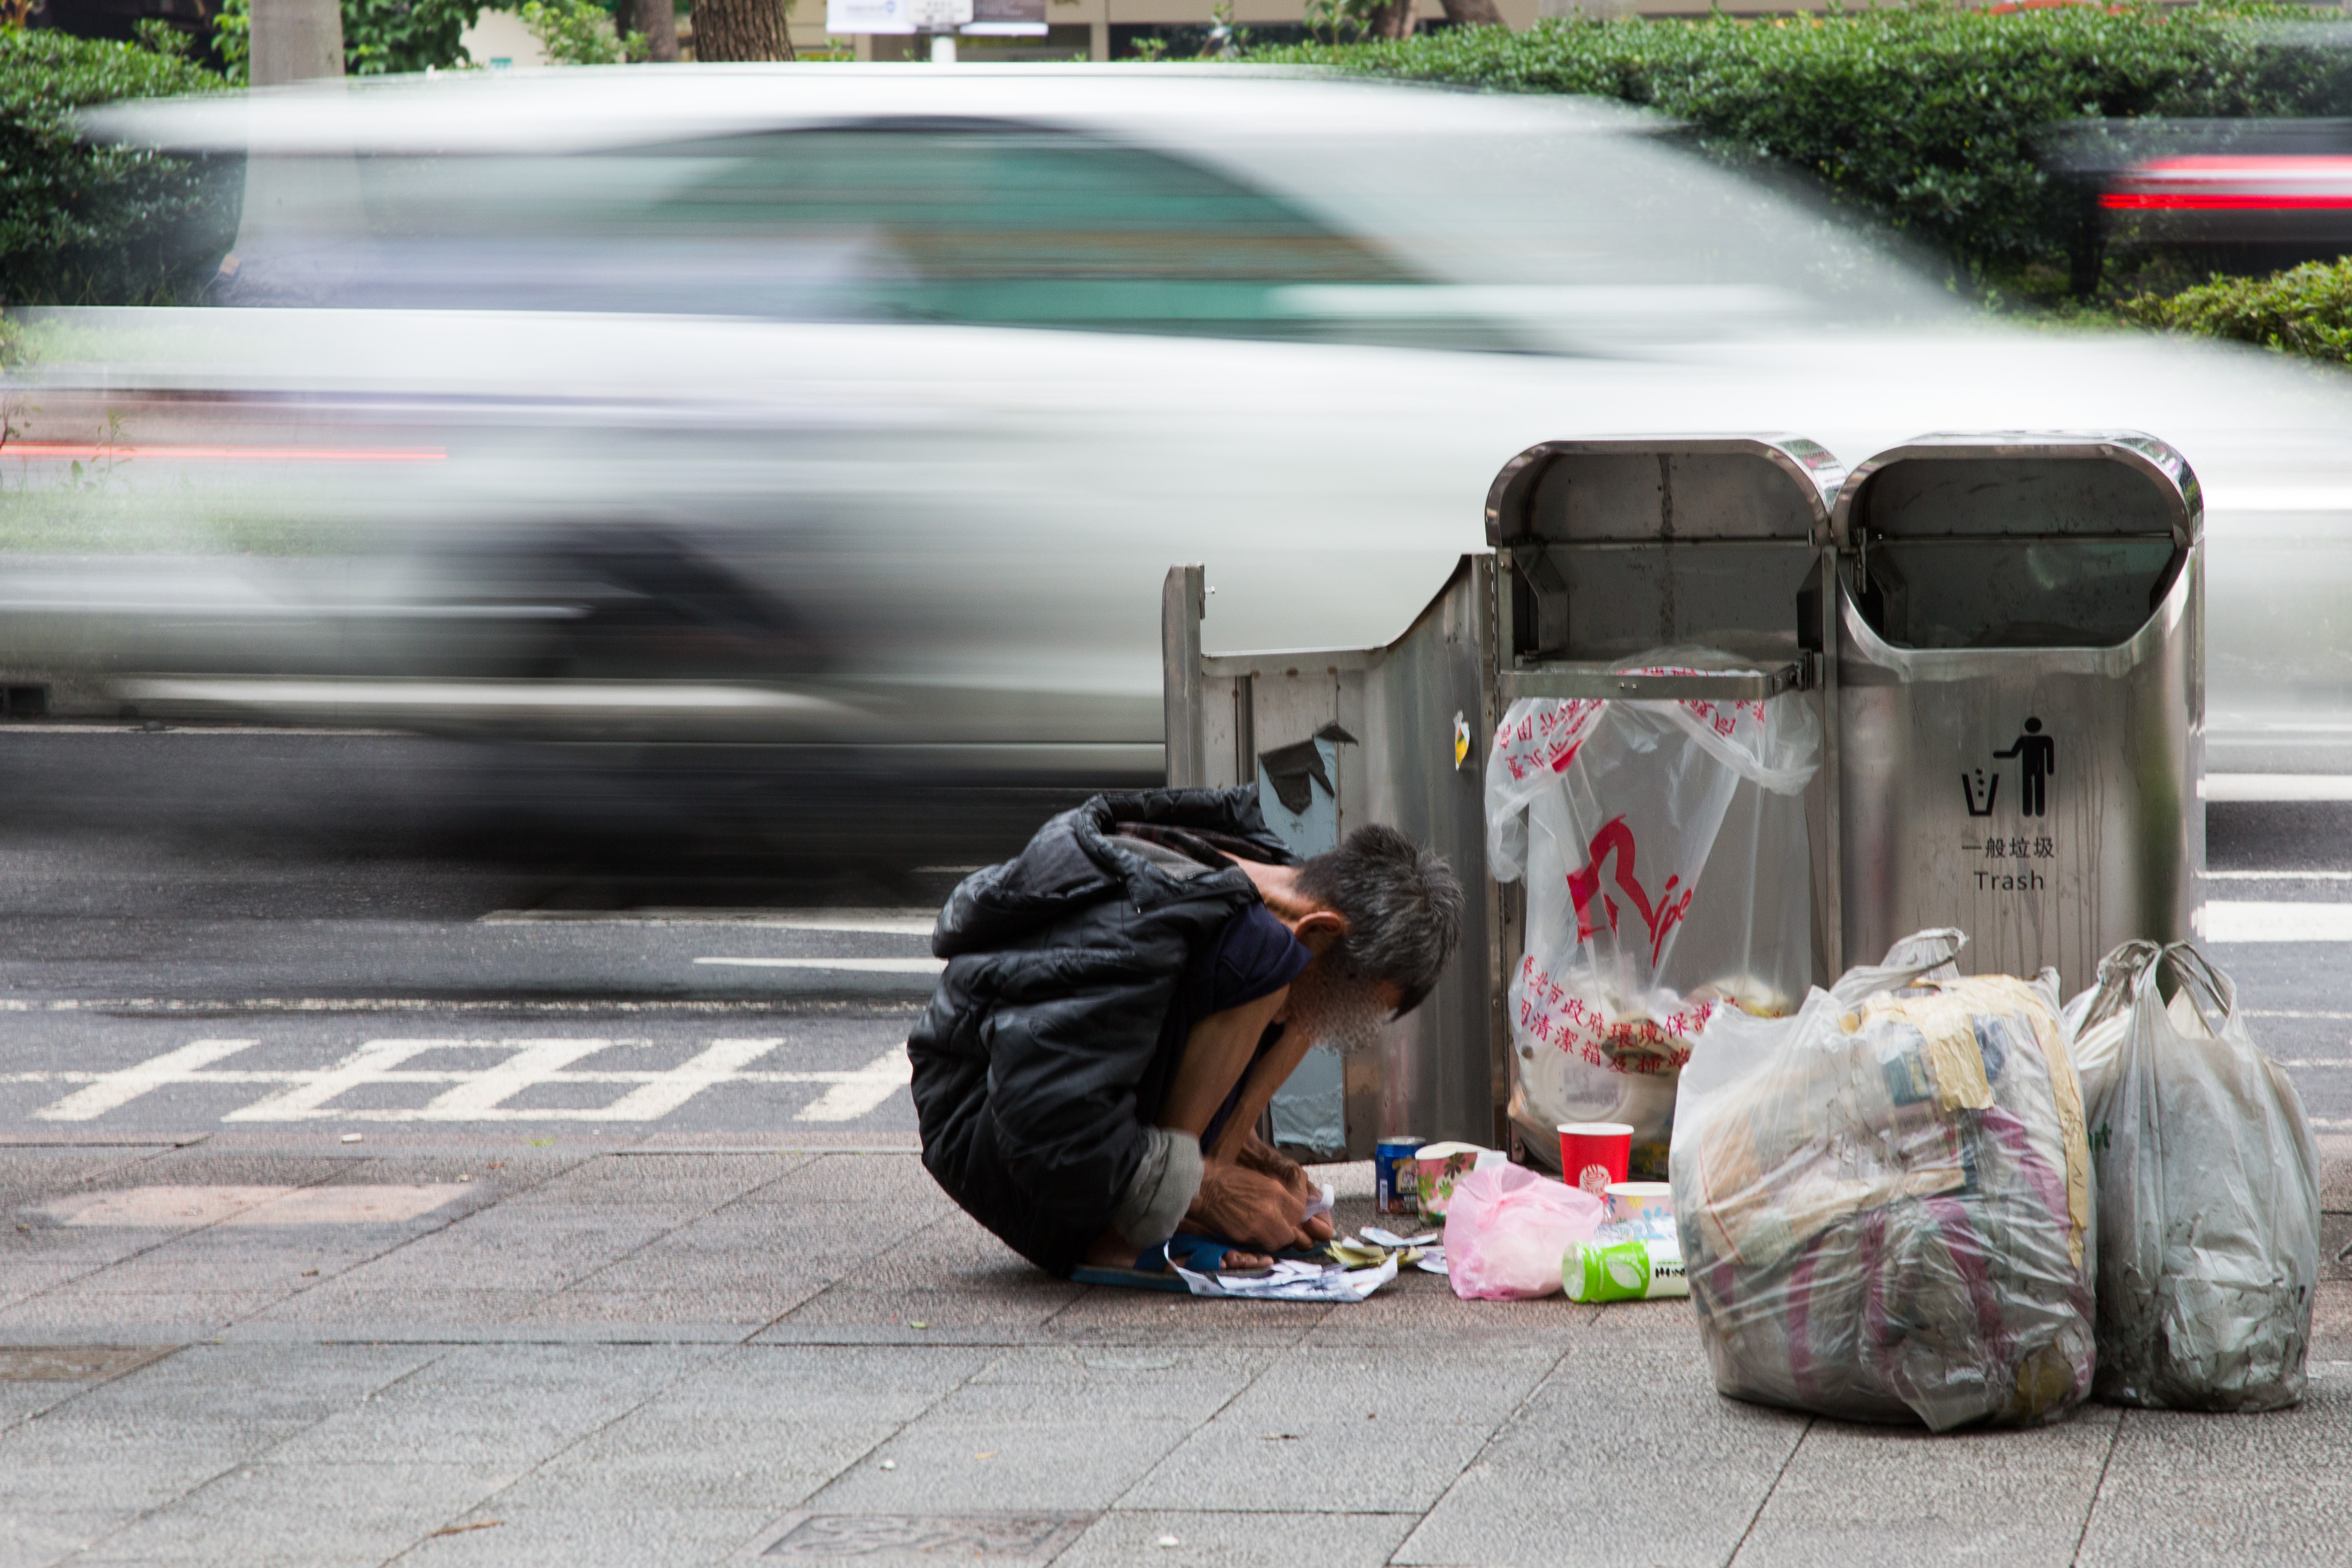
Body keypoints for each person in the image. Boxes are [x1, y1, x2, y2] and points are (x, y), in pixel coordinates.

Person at [907, 786, 1463, 1277]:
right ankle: (1124, 1239)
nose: (1340, 1027)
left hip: (1042, 1113)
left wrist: (1243, 1154)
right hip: (984, 1114)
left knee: (1294, 980)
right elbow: (1044, 1120)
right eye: (1357, 999)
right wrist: (1210, 1192)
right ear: (1324, 924)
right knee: (1275, 961)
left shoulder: (1281, 891)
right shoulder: (1221, 925)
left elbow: (1152, 1030)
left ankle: (1176, 1196)